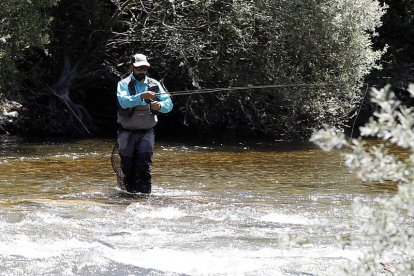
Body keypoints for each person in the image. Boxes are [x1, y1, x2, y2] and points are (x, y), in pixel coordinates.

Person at [116, 53, 173, 194]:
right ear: (132, 67)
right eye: (139, 68)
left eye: (145, 68)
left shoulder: (155, 84)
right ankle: (129, 195)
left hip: (147, 132)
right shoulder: (123, 84)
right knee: (127, 166)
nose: (142, 71)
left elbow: (169, 104)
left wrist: (159, 106)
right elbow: (123, 102)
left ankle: (144, 198)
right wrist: (141, 96)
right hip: (126, 132)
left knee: (144, 166)